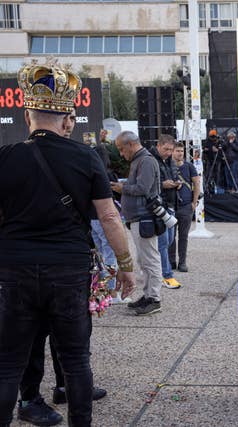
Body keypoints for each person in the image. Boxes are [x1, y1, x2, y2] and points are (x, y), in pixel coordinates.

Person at [0, 62, 135, 426]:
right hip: (68, 271)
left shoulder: (5, 157)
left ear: (28, 115)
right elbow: (109, 217)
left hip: (14, 270)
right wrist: (125, 266)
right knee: (76, 361)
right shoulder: (87, 157)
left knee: (8, 362)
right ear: (66, 120)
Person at [111, 131, 165, 316]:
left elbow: (143, 188)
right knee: (144, 260)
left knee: (150, 259)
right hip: (140, 218)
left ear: (131, 144)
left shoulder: (146, 161)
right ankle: (148, 295)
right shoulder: (140, 160)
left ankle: (154, 299)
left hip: (145, 218)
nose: (120, 153)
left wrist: (122, 187)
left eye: (121, 149)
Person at [149, 134, 181, 289]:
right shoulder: (150, 159)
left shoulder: (169, 160)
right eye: (166, 149)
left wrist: (177, 183)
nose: (169, 152)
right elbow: (148, 183)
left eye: (171, 150)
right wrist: (163, 185)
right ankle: (166, 275)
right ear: (158, 145)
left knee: (168, 241)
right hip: (159, 206)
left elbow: (174, 175)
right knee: (162, 243)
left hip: (170, 204)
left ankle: (157, 271)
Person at [169, 142, 200, 272]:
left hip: (186, 206)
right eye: (177, 151)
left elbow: (197, 183)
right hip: (170, 206)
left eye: (182, 151)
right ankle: (171, 262)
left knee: (183, 236)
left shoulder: (189, 166)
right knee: (170, 237)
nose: (180, 153)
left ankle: (182, 262)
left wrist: (194, 202)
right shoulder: (167, 166)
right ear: (172, 152)